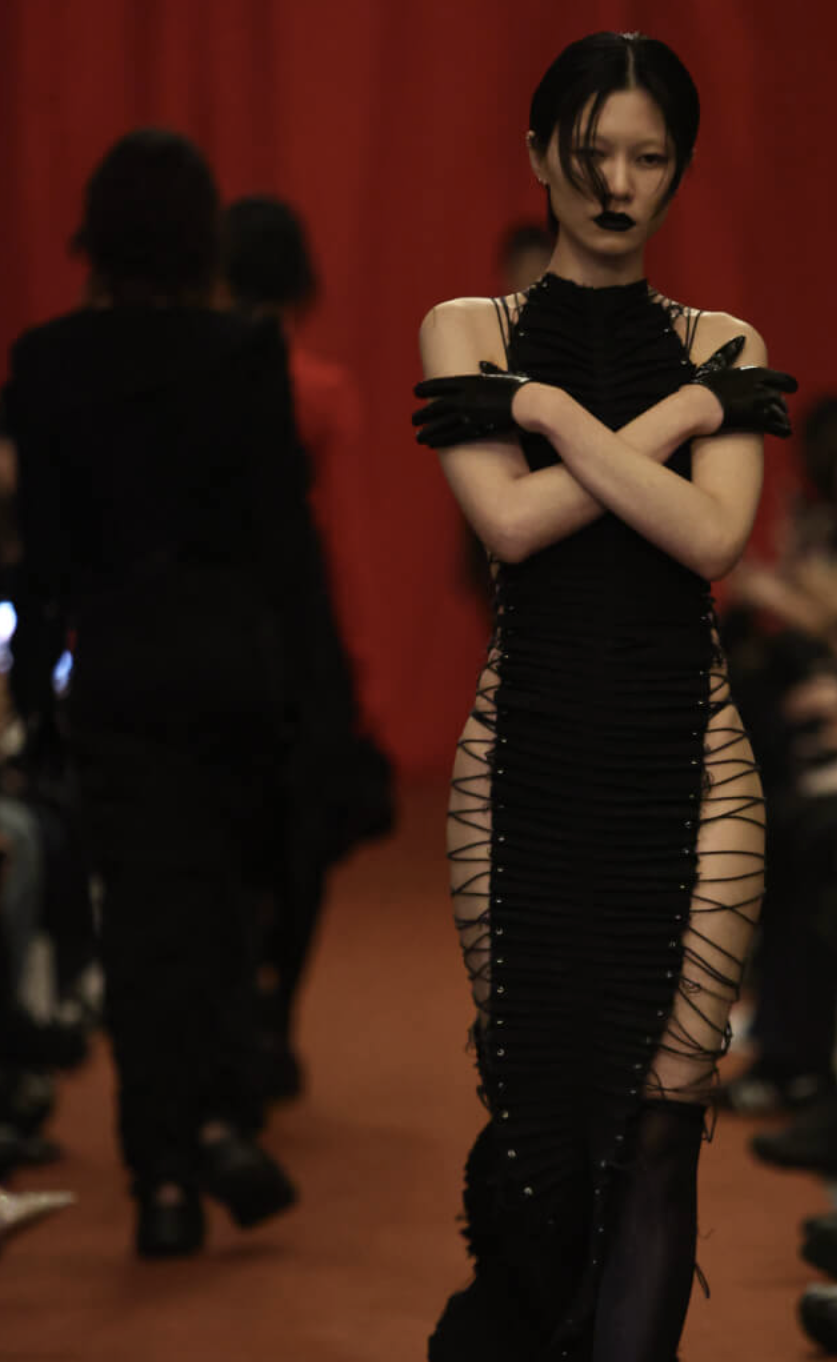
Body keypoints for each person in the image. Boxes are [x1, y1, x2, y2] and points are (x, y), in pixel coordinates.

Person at [408, 31, 796, 1358]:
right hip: (523, 757)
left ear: (679, 168)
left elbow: (711, 543)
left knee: (666, 1115)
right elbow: (510, 529)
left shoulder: (725, 340)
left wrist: (559, 418)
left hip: (691, 756)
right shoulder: (470, 329)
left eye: (649, 157)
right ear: (538, 158)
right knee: (540, 1105)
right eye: (592, 155)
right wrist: (661, 423)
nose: (618, 182)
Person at [4, 128, 317, 1257]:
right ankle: (222, 1119)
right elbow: (284, 548)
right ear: (200, 233)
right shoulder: (244, 352)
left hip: (120, 664)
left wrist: (37, 699)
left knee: (137, 923)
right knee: (226, 904)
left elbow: (39, 560)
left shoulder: (42, 363)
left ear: (95, 233)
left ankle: (164, 1181)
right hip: (230, 662)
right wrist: (320, 701)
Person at [219, 194, 394, 1102]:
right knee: (299, 840)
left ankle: (237, 1008)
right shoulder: (317, 392)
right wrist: (358, 672)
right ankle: (274, 1008)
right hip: (298, 640)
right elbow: (337, 541)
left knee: (226, 835)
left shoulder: (195, 383)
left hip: (215, 631)